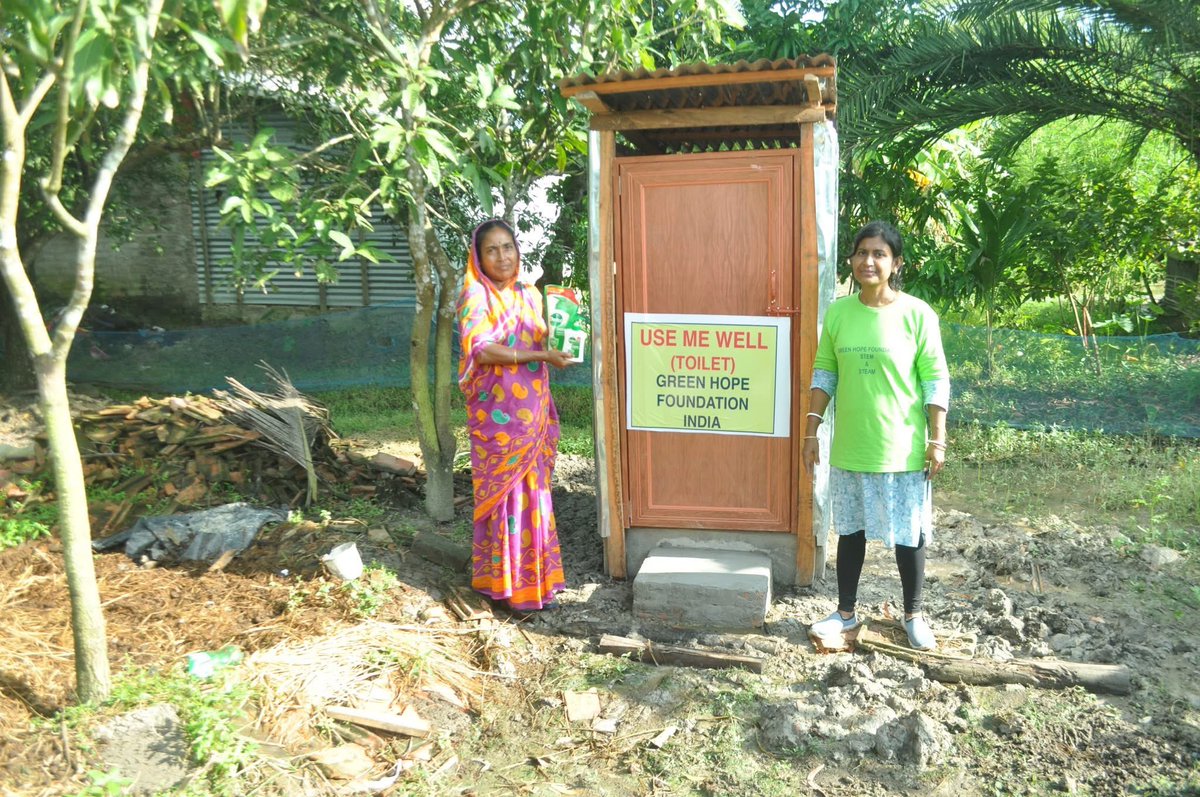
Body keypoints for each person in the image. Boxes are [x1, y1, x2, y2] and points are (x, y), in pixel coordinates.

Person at [802, 220, 950, 650]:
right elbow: (824, 373)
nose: (869, 261)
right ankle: (844, 612)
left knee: (910, 536)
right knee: (850, 532)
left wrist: (936, 438)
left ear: (896, 263)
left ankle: (914, 615)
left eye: (879, 254)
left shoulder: (918, 314)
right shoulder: (839, 313)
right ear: (851, 260)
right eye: (862, 252)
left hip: (903, 448)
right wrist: (811, 432)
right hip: (852, 445)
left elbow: (935, 381)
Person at [456, 219, 574, 613]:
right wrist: (542, 355)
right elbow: (483, 351)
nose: (502, 256)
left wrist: (568, 330)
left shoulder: (530, 293)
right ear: (479, 256)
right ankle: (506, 589)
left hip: (533, 414)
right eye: (492, 249)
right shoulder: (475, 295)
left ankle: (538, 584)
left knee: (535, 498)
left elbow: (547, 336)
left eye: (508, 247)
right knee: (506, 500)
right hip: (497, 421)